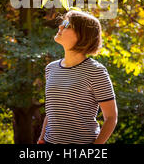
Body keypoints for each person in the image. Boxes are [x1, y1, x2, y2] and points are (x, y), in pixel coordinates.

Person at [37, 10, 118, 144]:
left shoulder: (96, 71)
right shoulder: (51, 68)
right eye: (62, 23)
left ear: (82, 35)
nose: (60, 26)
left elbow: (111, 117)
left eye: (67, 25)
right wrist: (41, 138)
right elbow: (52, 110)